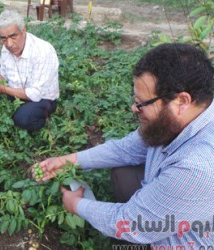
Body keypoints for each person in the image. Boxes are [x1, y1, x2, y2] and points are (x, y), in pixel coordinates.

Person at [37, 43, 214, 248]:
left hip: (187, 242)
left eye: (142, 103)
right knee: (123, 174)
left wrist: (75, 204)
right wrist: (66, 161)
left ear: (181, 101)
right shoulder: (184, 116)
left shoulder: (197, 168)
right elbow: (126, 149)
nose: (134, 108)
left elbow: (131, 223)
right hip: (177, 206)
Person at [0, 10, 59, 132]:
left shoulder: (43, 52)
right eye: (4, 39)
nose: (9, 44)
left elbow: (35, 94)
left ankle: (41, 121)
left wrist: (2, 89)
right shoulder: (6, 49)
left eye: (13, 36)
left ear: (23, 31)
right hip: (15, 93)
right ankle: (9, 120)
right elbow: (3, 76)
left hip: (43, 99)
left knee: (23, 118)